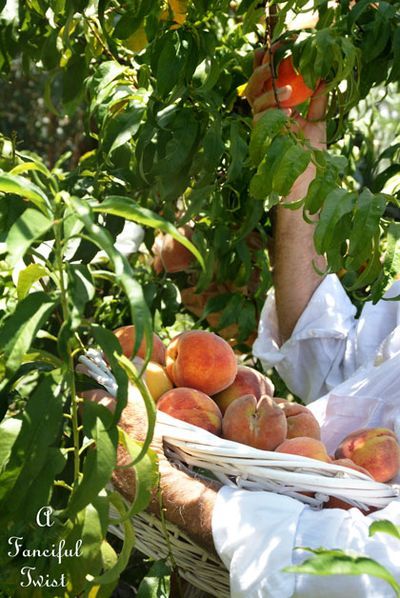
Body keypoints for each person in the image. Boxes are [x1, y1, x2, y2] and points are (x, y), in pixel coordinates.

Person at [88, 56, 400, 597]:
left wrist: (168, 487)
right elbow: (327, 353)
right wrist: (301, 149)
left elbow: (355, 576)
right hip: (279, 474)